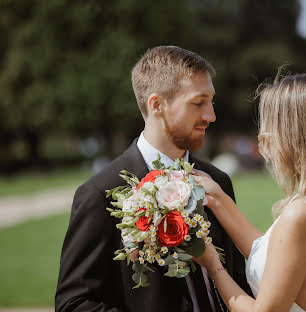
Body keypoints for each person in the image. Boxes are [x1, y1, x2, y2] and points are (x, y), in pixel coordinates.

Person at [55, 46, 252, 312]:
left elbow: (239, 279)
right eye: (198, 102)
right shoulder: (100, 193)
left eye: (211, 101)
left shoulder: (217, 183)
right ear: (157, 104)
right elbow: (73, 304)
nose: (211, 115)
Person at [192, 72, 306, 312]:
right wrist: (219, 200)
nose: (263, 138)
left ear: (294, 136)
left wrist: (213, 266)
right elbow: (268, 254)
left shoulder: (302, 213)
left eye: (270, 126)